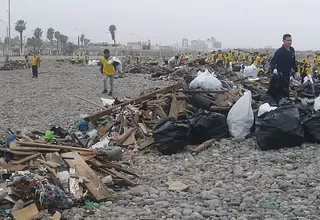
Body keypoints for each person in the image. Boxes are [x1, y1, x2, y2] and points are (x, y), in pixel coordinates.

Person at [269, 34, 298, 99]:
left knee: (286, 90)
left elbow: (293, 61)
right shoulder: (279, 51)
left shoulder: (292, 50)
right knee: (279, 91)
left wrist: (296, 71)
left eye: (290, 40)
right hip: (280, 75)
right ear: (283, 41)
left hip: (288, 74)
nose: (289, 42)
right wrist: (274, 69)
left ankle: (285, 102)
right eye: (287, 40)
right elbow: (272, 62)